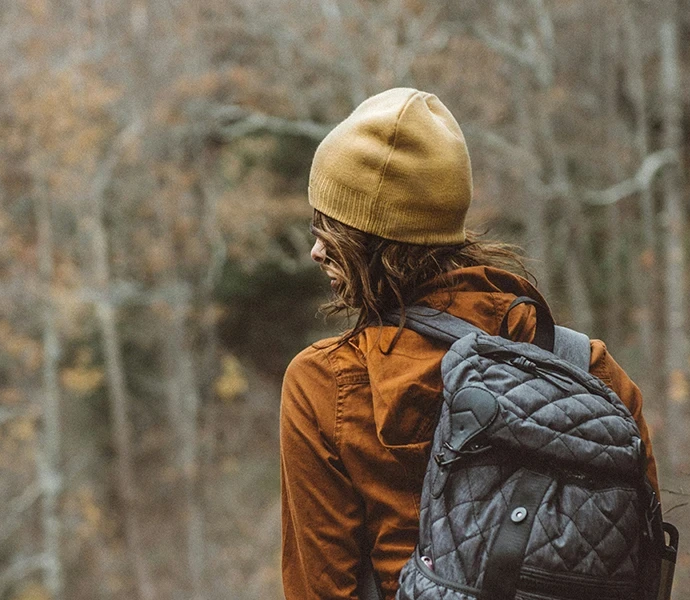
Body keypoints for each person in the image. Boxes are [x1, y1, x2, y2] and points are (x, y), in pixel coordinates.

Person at [279, 88, 659, 600]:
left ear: (375, 241)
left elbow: (319, 589)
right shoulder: (587, 369)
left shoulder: (325, 383)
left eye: (332, 229)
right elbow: (645, 567)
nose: (316, 250)